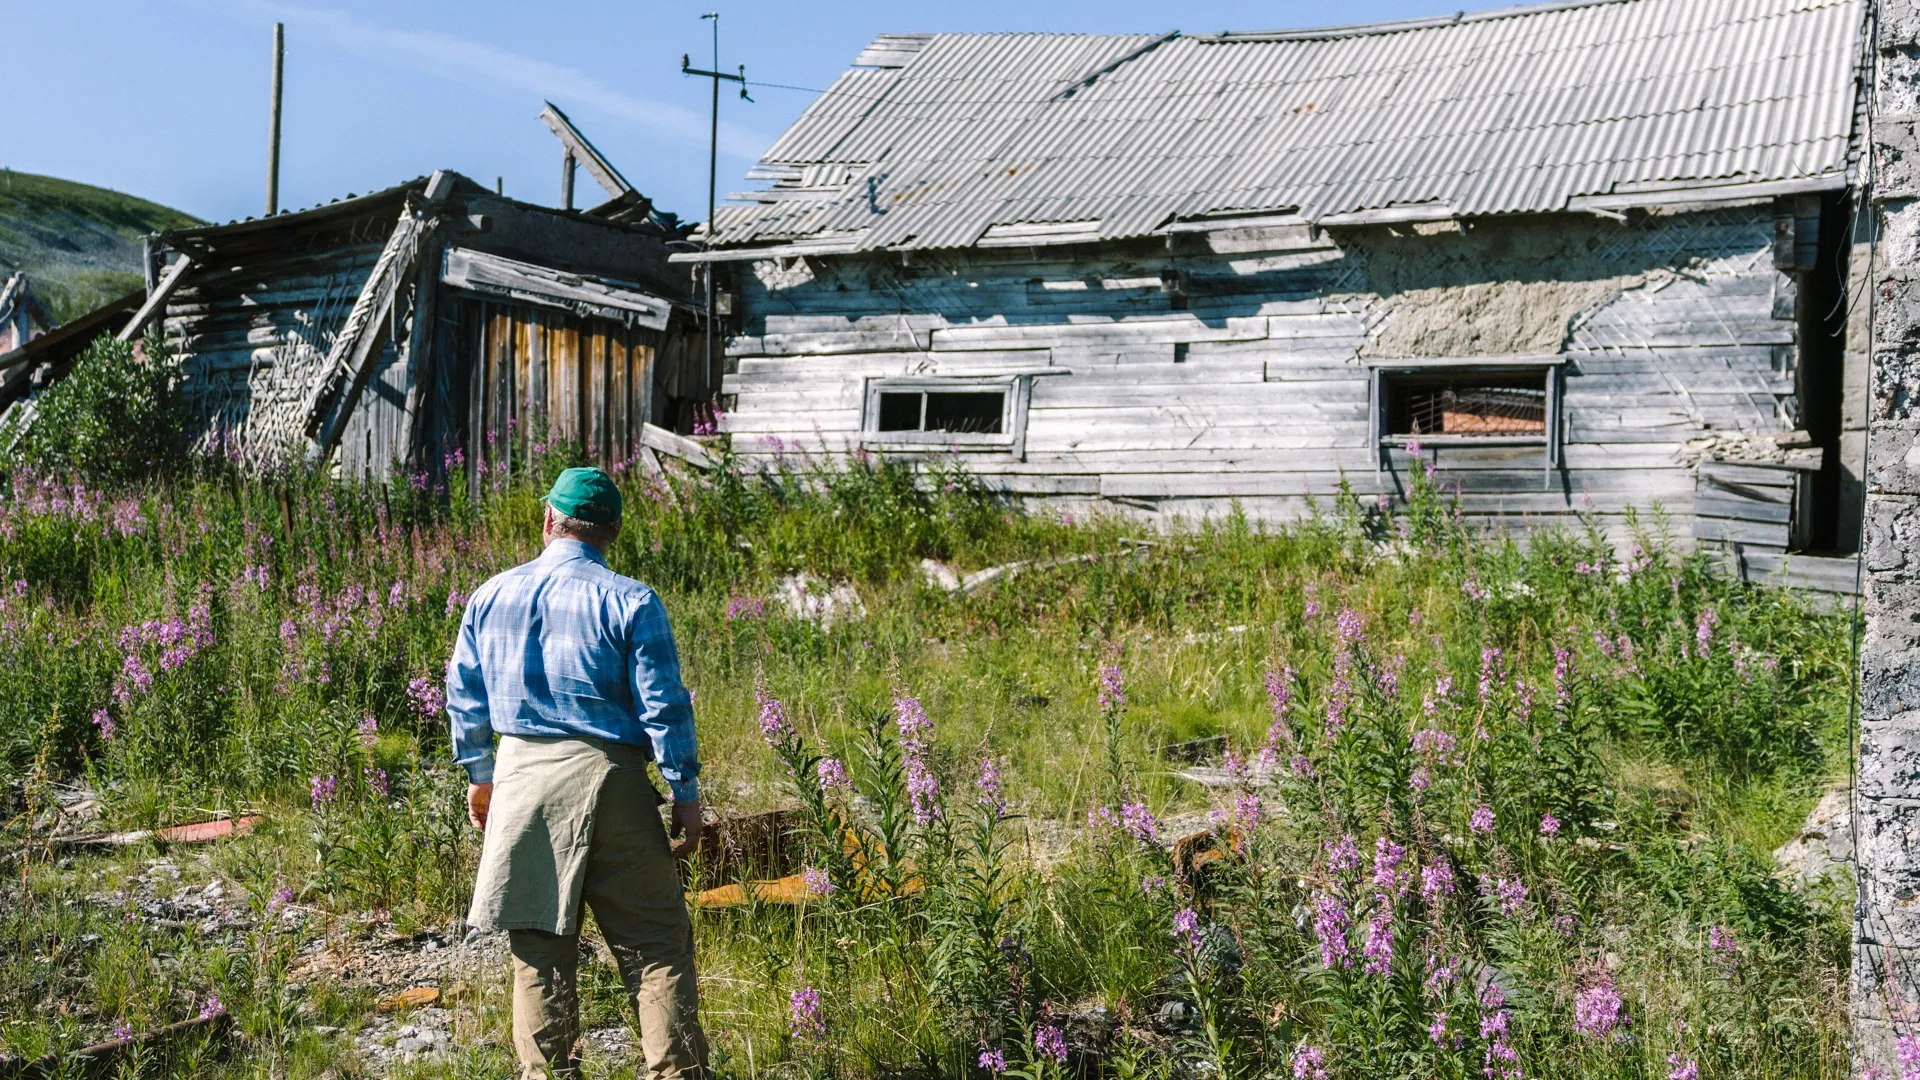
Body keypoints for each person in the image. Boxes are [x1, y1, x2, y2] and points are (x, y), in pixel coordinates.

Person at [446, 466, 709, 1079]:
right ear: (611, 532)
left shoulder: (490, 595)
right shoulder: (632, 600)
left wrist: (481, 775)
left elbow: (465, 697)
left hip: (521, 778)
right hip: (610, 776)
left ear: (548, 521)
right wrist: (684, 792)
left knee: (538, 950)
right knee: (655, 948)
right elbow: (664, 706)